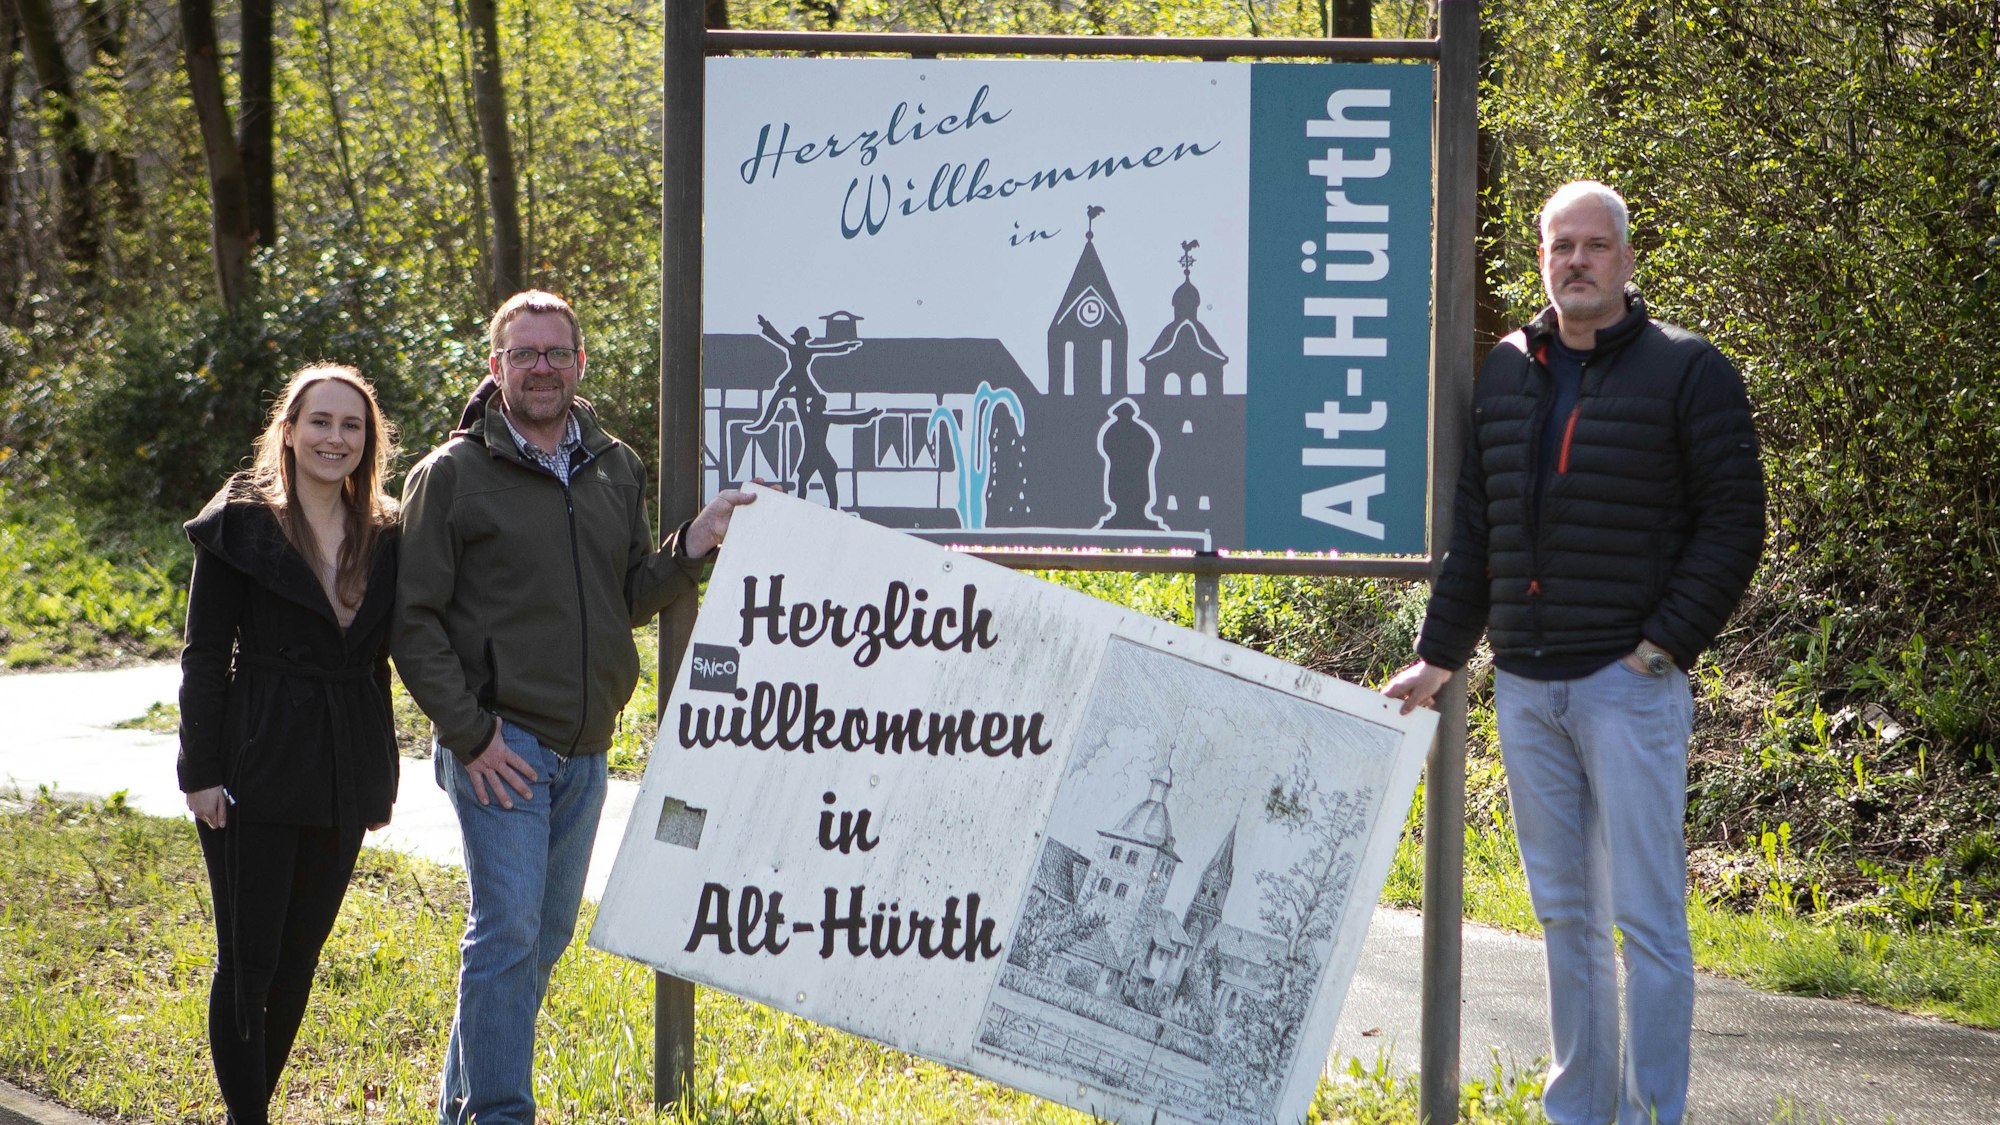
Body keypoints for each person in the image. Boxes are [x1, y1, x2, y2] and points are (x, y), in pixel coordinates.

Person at [1383, 181, 1765, 1125]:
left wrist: (1662, 644)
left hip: (1624, 686)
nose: (1579, 262)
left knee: (1648, 922)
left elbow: (1734, 522)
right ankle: (1581, 1112)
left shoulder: (1689, 371)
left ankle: (1652, 1112)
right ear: (1542, 257)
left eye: (1597, 246)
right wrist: (1442, 653)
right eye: (1563, 247)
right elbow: (1480, 527)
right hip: (1525, 684)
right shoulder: (1510, 369)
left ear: (1628, 259)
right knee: (1565, 918)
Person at [393, 290, 755, 1125]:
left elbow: (625, 593)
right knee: (507, 931)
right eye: (525, 354)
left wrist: (693, 543)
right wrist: (471, 734)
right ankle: (500, 1114)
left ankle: (460, 1104)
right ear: (496, 367)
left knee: (540, 939)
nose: (542, 368)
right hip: (502, 741)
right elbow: (412, 622)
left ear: (580, 362)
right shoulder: (450, 475)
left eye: (557, 353)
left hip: (586, 749)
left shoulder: (612, 463)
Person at [178, 363, 401, 1125]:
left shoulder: (387, 532)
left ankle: (253, 1111)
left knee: (299, 960)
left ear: (368, 440)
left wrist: (378, 779)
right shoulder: (242, 522)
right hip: (254, 760)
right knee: (248, 961)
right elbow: (204, 653)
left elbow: (379, 666)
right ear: (290, 429)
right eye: (320, 421)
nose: (334, 437)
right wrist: (199, 771)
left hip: (342, 770)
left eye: (351, 425)